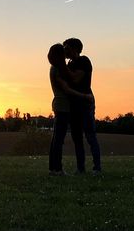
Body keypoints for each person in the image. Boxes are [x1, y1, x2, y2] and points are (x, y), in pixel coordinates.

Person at [47, 43, 93, 176]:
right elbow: (67, 89)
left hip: (59, 105)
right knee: (59, 139)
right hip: (63, 106)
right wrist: (85, 96)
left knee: (56, 138)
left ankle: (53, 168)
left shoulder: (54, 68)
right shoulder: (58, 69)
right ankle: (57, 169)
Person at [62, 38, 101, 175]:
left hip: (85, 103)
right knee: (77, 137)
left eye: (65, 47)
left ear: (73, 48)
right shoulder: (69, 64)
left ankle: (97, 168)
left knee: (90, 135)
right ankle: (80, 168)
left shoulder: (84, 61)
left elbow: (75, 78)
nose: (64, 50)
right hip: (74, 105)